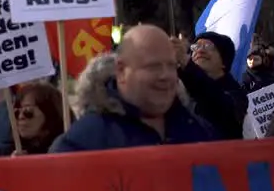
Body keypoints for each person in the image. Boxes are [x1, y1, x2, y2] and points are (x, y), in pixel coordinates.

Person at [52, 25, 215, 152]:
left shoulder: (200, 131)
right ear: (121, 71)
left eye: (172, 66)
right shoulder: (80, 144)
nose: (166, 75)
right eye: (153, 66)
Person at [175, 31, 246, 140]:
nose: (200, 50)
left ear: (224, 62)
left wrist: (186, 64)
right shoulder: (178, 87)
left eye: (208, 46)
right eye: (196, 47)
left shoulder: (236, 94)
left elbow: (218, 103)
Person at [4, 82, 65, 155]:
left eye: (27, 110)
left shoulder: (66, 147)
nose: (20, 117)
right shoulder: (9, 150)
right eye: (16, 112)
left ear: (50, 112)